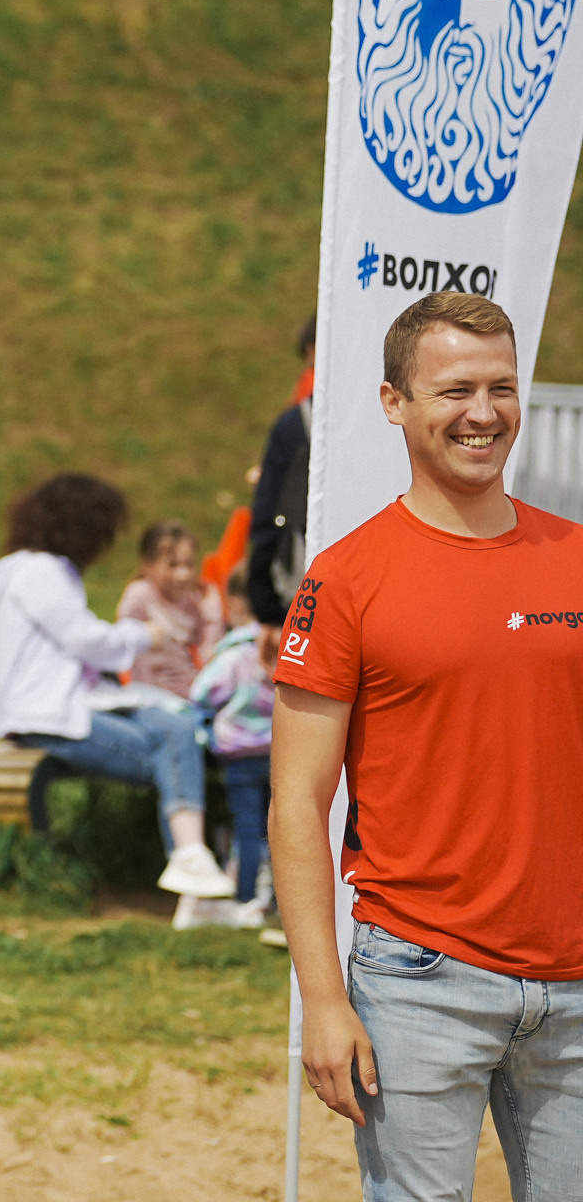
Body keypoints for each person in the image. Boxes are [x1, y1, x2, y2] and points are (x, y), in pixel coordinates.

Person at [272, 292, 583, 1200]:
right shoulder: (347, 580)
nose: (483, 414)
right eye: (453, 391)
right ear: (392, 402)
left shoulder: (575, 555)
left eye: (502, 388)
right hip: (419, 979)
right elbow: (297, 801)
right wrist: (324, 1002)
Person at [0, 474, 236, 899]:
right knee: (174, 745)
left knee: (170, 727)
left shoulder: (29, 570)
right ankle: (192, 863)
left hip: (64, 705)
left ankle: (191, 863)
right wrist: (145, 635)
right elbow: (87, 640)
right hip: (48, 715)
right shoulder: (42, 572)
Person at [176, 568, 271, 932]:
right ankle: (274, 900)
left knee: (247, 831)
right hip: (275, 751)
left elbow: (201, 693)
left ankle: (244, 899)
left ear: (234, 602)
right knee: (275, 830)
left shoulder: (233, 654)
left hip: (239, 756)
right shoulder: (283, 645)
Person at [246, 317, 318, 628]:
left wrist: (265, 603)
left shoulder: (294, 427)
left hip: (302, 598)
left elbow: (269, 514)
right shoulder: (399, 419)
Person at [116, 521, 225, 699]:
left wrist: (211, 615)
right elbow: (130, 653)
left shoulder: (194, 603)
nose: (183, 575)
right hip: (148, 696)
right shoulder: (140, 596)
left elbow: (209, 659)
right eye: (172, 565)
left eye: (189, 564)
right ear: (147, 565)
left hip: (189, 696)